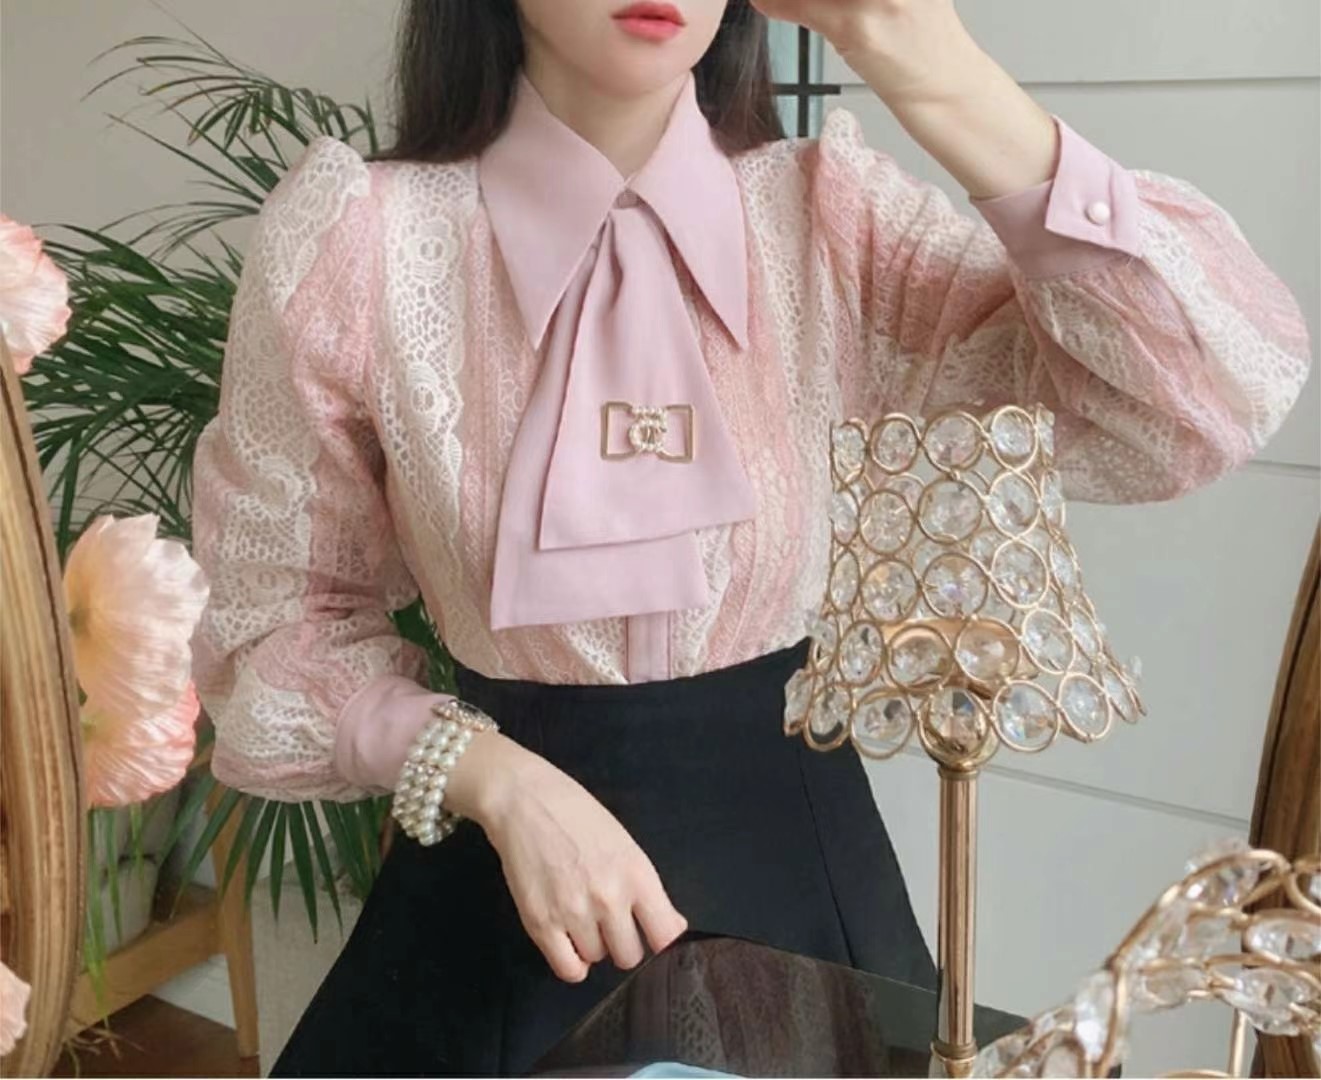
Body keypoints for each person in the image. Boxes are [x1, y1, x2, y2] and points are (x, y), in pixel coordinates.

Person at [187, 0, 1313, 1075]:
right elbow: (273, 619)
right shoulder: (364, 243)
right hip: (498, 903)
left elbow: (1194, 404)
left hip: (803, 894)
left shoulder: (831, 220)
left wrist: (926, 57)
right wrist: (482, 774)